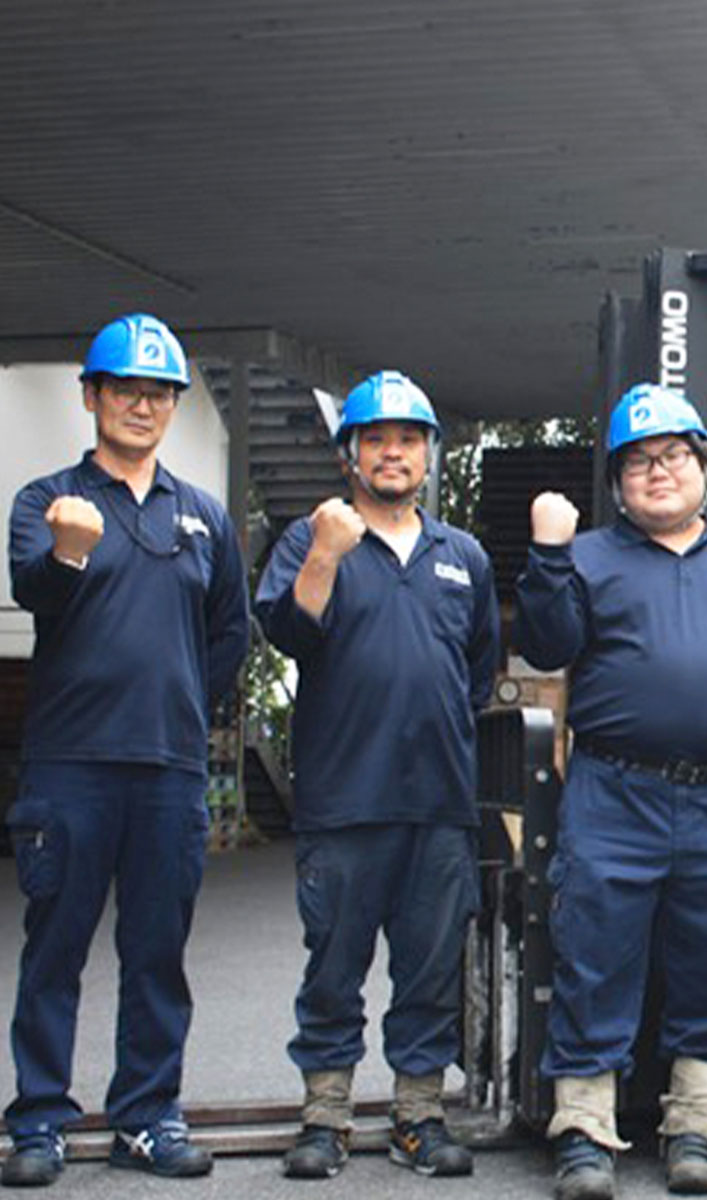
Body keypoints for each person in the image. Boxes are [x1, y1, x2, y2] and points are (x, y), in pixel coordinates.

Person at [516, 383, 707, 1200]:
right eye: (639, 460)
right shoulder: (587, 559)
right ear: (618, 482)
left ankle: (695, 1127)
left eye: (675, 454)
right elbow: (546, 644)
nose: (658, 471)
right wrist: (547, 555)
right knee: (594, 958)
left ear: (706, 469)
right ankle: (584, 1132)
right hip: (615, 795)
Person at [2, 314, 248, 1186]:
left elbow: (229, 633)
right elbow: (36, 590)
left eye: (158, 393)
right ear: (91, 397)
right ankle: (39, 1121)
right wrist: (68, 553)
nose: (142, 406)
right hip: (69, 763)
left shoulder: (203, 516)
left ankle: (146, 1116)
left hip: (168, 768)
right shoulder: (46, 501)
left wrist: (180, 705)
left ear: (173, 405)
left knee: (156, 953)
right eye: (125, 390)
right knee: (55, 949)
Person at [254, 371, 498, 1180]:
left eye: (408, 439)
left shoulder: (462, 555)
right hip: (343, 800)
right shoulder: (310, 537)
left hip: (438, 803)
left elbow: (476, 672)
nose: (393, 452)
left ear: (429, 454)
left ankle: (418, 1114)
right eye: (376, 439)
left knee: (429, 970)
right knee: (334, 967)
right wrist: (326, 552)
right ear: (349, 454)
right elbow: (288, 633)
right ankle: (325, 1115)